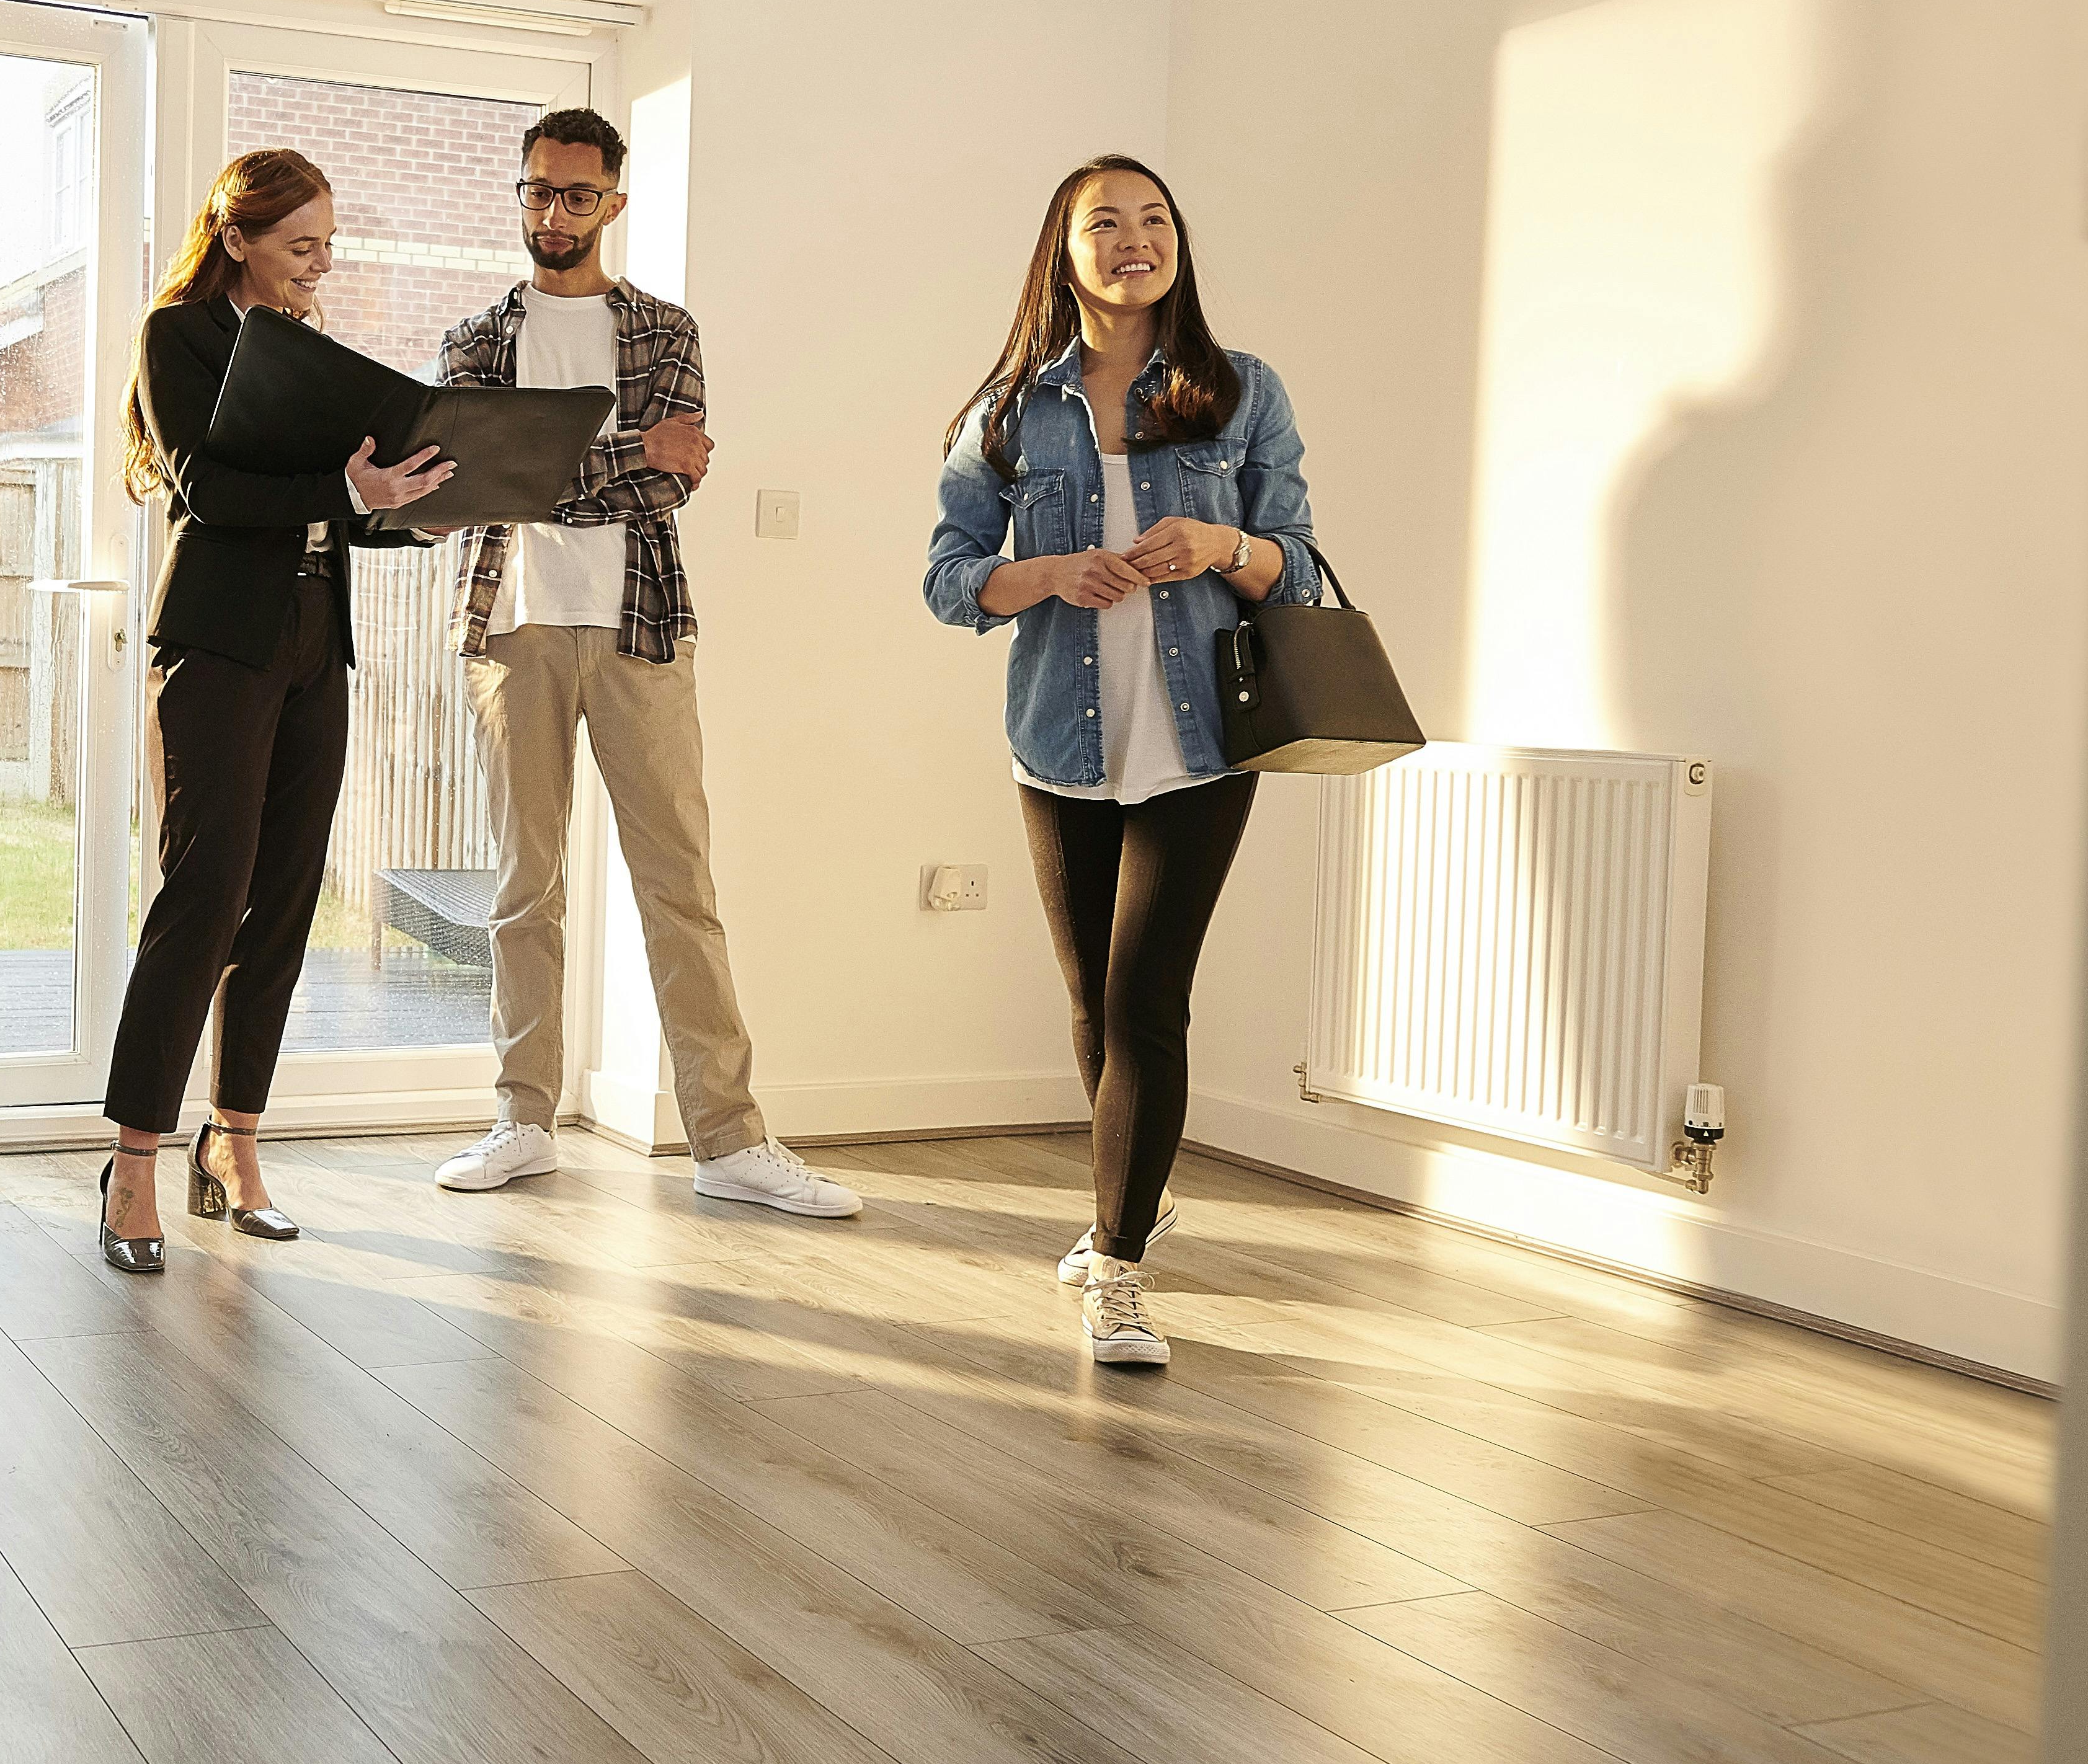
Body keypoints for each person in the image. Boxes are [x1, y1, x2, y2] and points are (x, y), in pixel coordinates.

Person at [922, 155, 1330, 1365]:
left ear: (1177, 245)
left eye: (1154, 220)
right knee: (1094, 1004)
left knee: (1149, 998)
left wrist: (1222, 544)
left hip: (1203, 744)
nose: (1134, 239)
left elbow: (1299, 569)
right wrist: (1047, 572)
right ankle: (1130, 1198)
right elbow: (948, 579)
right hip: (1060, 742)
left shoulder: (1240, 391)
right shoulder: (1007, 412)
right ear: (1065, 252)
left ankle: (1117, 1268)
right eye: (1106, 222)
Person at [425, 109, 859, 1219]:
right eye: (537, 189)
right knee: (522, 891)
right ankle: (524, 1120)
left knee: (680, 889)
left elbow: (674, 478)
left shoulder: (663, 330)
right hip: (510, 630)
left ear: (612, 203)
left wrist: (539, 465)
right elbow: (474, 485)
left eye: (576, 194)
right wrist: (607, 455)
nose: (552, 211)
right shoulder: (475, 338)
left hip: (641, 630)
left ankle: (728, 1140)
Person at [97, 149, 457, 1274]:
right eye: (301, 245)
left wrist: (407, 512)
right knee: (203, 899)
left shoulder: (306, 350)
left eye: (328, 245)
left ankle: (234, 1145)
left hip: (312, 641)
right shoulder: (178, 335)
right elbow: (207, 489)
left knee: (286, 900)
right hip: (217, 643)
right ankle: (133, 1164)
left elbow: (331, 505)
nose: (320, 264)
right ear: (237, 237)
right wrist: (348, 491)